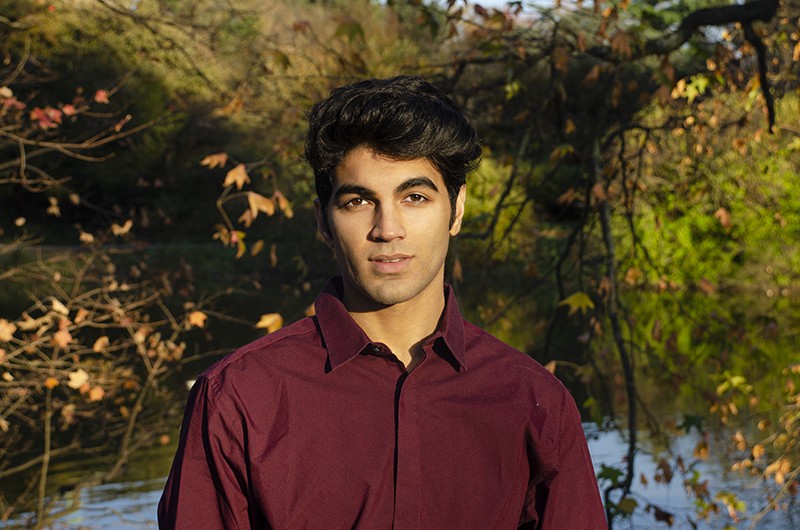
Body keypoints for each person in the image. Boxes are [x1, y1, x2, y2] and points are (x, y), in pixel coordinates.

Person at [158, 75, 607, 529]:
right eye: (357, 201)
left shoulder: (535, 402)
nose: (387, 228)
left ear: (457, 210)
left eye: (414, 197)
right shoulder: (237, 398)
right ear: (323, 220)